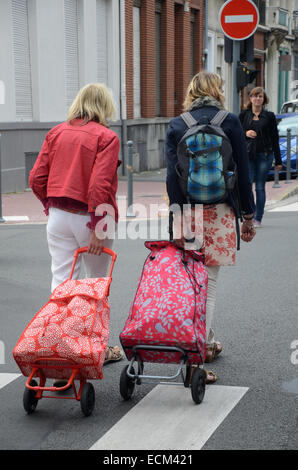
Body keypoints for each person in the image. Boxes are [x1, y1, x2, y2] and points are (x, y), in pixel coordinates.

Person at [29, 83, 123, 386]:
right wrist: (98, 226)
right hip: (90, 217)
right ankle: (92, 348)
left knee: (60, 283)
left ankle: (59, 349)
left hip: (58, 215)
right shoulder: (107, 137)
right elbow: (99, 186)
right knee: (94, 287)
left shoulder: (56, 132)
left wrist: (49, 204)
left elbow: (36, 178)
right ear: (104, 107)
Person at [165, 71, 256, 384]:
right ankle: (196, 362)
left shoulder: (178, 125)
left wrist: (176, 219)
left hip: (188, 212)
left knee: (191, 284)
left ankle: (206, 341)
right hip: (219, 211)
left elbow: (170, 179)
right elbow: (243, 174)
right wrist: (247, 216)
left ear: (191, 92)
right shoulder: (230, 122)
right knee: (210, 288)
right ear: (217, 91)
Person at [239, 87, 283, 227]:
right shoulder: (243, 115)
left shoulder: (269, 116)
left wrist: (278, 160)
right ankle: (249, 215)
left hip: (264, 155)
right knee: (247, 185)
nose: (258, 99)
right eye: (255, 96)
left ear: (264, 100)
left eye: (260, 96)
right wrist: (246, 133)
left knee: (259, 187)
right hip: (248, 155)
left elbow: (275, 138)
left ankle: (258, 218)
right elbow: (236, 133)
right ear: (250, 98)